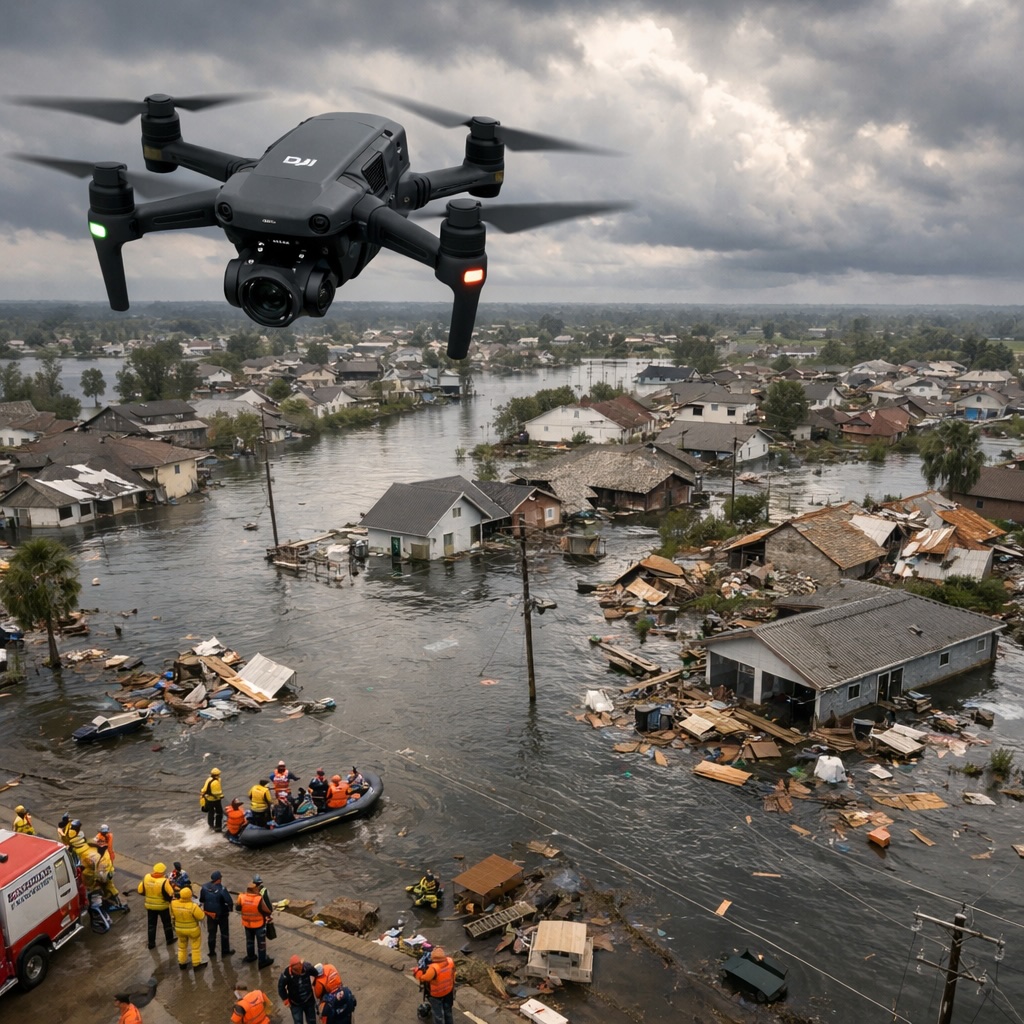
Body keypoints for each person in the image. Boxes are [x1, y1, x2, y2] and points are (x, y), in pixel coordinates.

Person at [413, 946, 456, 1024]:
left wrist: (417, 971)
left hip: (436, 995)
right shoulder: (450, 961)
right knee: (448, 1012)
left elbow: (423, 978)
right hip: (448, 991)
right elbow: (453, 973)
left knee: (438, 1015)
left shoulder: (434, 968)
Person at [138, 862, 175, 948]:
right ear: (163, 871)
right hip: (163, 906)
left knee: (151, 925)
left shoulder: (147, 877)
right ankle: (169, 940)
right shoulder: (164, 881)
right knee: (167, 924)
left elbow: (140, 890)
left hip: (150, 906)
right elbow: (171, 893)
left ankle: (151, 944)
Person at [237, 881, 274, 967]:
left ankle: (251, 957)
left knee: (249, 941)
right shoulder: (258, 899)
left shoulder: (241, 897)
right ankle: (262, 961)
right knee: (261, 944)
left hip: (247, 923)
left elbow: (238, 908)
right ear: (255, 889)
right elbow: (267, 910)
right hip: (258, 924)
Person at [198, 870, 235, 958]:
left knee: (211, 933)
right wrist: (230, 909)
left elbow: (201, 899)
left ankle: (211, 952)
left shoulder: (204, 887)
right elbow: (229, 901)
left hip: (210, 915)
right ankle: (225, 951)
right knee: (224, 933)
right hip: (222, 915)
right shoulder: (222, 889)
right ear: (218, 879)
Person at [169, 885, 206, 970]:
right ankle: (196, 964)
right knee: (195, 947)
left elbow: (172, 915)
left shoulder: (173, 904)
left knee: (182, 946)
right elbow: (201, 916)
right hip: (193, 930)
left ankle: (182, 963)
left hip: (179, 929)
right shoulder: (193, 906)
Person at [278, 955, 319, 1024]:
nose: (299, 972)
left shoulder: (307, 968)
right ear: (291, 968)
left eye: (300, 969)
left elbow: (316, 973)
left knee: (312, 1021)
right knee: (298, 1022)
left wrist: (315, 984)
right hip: (295, 1004)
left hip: (309, 1000)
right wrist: (285, 1000)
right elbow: (281, 987)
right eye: (296, 971)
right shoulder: (286, 974)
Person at [201, 766, 224, 831]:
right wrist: (221, 796)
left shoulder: (209, 779)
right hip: (215, 799)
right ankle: (218, 827)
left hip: (208, 798)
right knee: (219, 813)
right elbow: (216, 793)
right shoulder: (215, 782)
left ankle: (211, 826)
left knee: (211, 812)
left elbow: (204, 789)